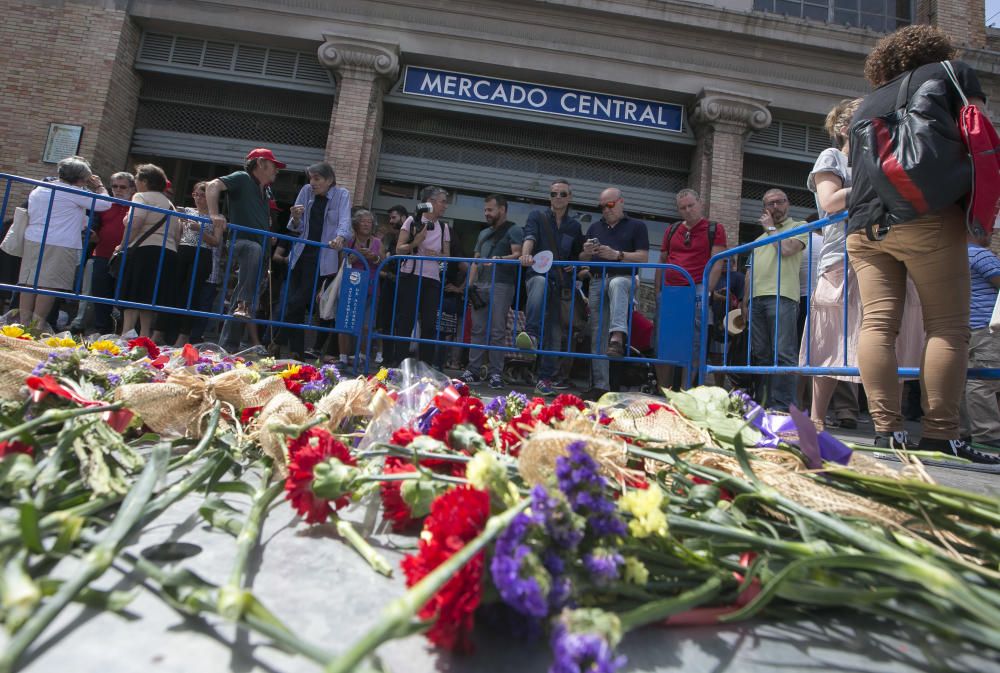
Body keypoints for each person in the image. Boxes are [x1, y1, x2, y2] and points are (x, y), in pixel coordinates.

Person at [847, 25, 996, 462]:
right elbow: (979, 131)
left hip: (863, 228)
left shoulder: (865, 104)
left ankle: (886, 431)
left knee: (877, 325)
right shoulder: (951, 74)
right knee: (948, 327)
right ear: (934, 50)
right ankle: (941, 434)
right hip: (926, 216)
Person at [206, 147, 285, 352]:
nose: (277, 170)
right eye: (273, 166)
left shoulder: (266, 190)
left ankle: (228, 347)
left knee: (245, 297)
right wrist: (215, 215)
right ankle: (244, 303)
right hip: (243, 243)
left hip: (261, 251)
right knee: (252, 251)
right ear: (260, 164)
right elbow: (212, 185)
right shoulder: (242, 177)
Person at [19, 156, 111, 326]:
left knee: (28, 283)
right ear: (81, 178)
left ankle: (23, 324)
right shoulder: (74, 192)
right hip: (60, 242)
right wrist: (99, 186)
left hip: (33, 238)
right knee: (49, 286)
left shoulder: (40, 188)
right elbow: (105, 204)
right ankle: (36, 326)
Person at [275, 161, 351, 360]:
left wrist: (340, 238)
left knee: (296, 301)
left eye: (317, 178)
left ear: (329, 180)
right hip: (299, 254)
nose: (312, 183)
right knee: (294, 304)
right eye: (311, 178)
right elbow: (295, 227)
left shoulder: (341, 195)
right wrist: (296, 217)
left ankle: (276, 338)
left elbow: (344, 221)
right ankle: (297, 352)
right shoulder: (306, 191)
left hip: (322, 257)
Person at [654, 188, 727, 390]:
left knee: (693, 345)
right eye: (682, 208)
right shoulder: (672, 230)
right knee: (664, 344)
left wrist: (707, 292)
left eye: (691, 206)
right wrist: (658, 292)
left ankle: (685, 392)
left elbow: (716, 263)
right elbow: (662, 260)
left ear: (700, 203)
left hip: (696, 289)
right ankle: (664, 392)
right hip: (670, 292)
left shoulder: (715, 228)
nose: (687, 210)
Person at [579, 187, 649, 397]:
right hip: (598, 280)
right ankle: (601, 386)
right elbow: (582, 258)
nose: (606, 210)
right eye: (602, 206)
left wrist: (617, 255)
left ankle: (617, 336)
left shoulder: (637, 226)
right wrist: (586, 252)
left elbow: (644, 257)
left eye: (609, 205)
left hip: (624, 278)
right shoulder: (594, 227)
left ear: (621, 202)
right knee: (597, 333)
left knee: (617, 283)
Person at [517, 179, 584, 395]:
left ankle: (545, 380)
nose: (558, 198)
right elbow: (530, 236)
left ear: (570, 197)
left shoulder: (574, 226)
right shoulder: (537, 216)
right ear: (549, 197)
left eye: (562, 194)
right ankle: (532, 333)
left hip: (560, 284)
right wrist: (525, 254)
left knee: (555, 335)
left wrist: (576, 264)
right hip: (538, 275)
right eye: (554, 194)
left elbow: (577, 254)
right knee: (539, 281)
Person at [743, 189, 807, 412]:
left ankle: (782, 407)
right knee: (761, 355)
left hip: (783, 297)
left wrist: (770, 228)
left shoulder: (799, 227)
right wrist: (745, 302)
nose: (775, 207)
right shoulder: (759, 239)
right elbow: (750, 272)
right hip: (756, 301)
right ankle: (762, 403)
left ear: (788, 204)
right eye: (770, 203)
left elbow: (787, 249)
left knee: (783, 354)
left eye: (780, 202)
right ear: (764, 208)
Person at [463, 194, 523, 389]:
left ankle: (496, 373)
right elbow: (476, 260)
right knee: (478, 329)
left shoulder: (514, 229)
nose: (486, 213)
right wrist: (469, 286)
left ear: (502, 209)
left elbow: (518, 255)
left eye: (490, 209)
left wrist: (499, 258)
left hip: (502, 284)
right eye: (485, 210)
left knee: (498, 330)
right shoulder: (483, 233)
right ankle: (473, 370)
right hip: (480, 285)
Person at [117, 163, 181, 337]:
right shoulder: (170, 204)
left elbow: (135, 223)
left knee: (133, 294)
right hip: (167, 253)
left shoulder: (141, 197)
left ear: (144, 181)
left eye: (136, 178)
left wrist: (122, 245)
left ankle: (127, 333)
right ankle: (145, 336)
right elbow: (176, 234)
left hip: (145, 252)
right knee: (149, 297)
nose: (135, 181)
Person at [157, 181, 223, 346]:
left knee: (192, 294)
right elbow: (171, 214)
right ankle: (159, 331)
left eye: (203, 195)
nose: (199, 199)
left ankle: (183, 335)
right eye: (196, 195)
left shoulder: (217, 217)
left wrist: (200, 230)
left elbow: (216, 241)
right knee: (171, 292)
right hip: (183, 250)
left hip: (202, 253)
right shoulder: (186, 211)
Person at [391, 186, 451, 366]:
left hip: (432, 278)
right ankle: (399, 362)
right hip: (410, 274)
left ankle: (425, 364)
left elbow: (447, 256)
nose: (445, 206)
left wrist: (436, 256)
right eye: (443, 202)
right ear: (430, 202)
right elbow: (398, 248)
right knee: (405, 320)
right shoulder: (412, 220)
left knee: (430, 323)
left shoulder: (443, 226)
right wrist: (416, 242)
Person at [959, 235, 1000, 458]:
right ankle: (987, 433)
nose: (991, 235)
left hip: (961, 326)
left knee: (962, 381)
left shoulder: (952, 256)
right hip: (985, 326)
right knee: (983, 382)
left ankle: (962, 430)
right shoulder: (980, 254)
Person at [81, 171, 134, 335]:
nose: (118, 190)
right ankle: (102, 329)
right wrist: (92, 234)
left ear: (132, 189)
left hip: (127, 257)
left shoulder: (137, 205)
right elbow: (94, 224)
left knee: (124, 296)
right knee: (100, 294)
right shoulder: (105, 204)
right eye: (115, 186)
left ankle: (122, 331)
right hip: (102, 254)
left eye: (123, 187)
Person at [337, 208, 381, 364]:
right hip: (351, 287)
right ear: (356, 223)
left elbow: (382, 262)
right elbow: (342, 261)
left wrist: (373, 257)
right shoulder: (349, 240)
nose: (367, 224)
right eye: (363, 221)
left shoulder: (377, 242)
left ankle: (361, 357)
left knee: (367, 326)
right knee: (345, 322)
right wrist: (352, 257)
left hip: (370, 287)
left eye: (369, 222)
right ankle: (342, 358)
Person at [374, 205, 407, 364]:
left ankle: (398, 359)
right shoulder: (391, 237)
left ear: (403, 217)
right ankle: (387, 358)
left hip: (404, 283)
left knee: (401, 322)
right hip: (390, 281)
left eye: (394, 218)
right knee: (386, 321)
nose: (391, 221)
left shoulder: (409, 234)